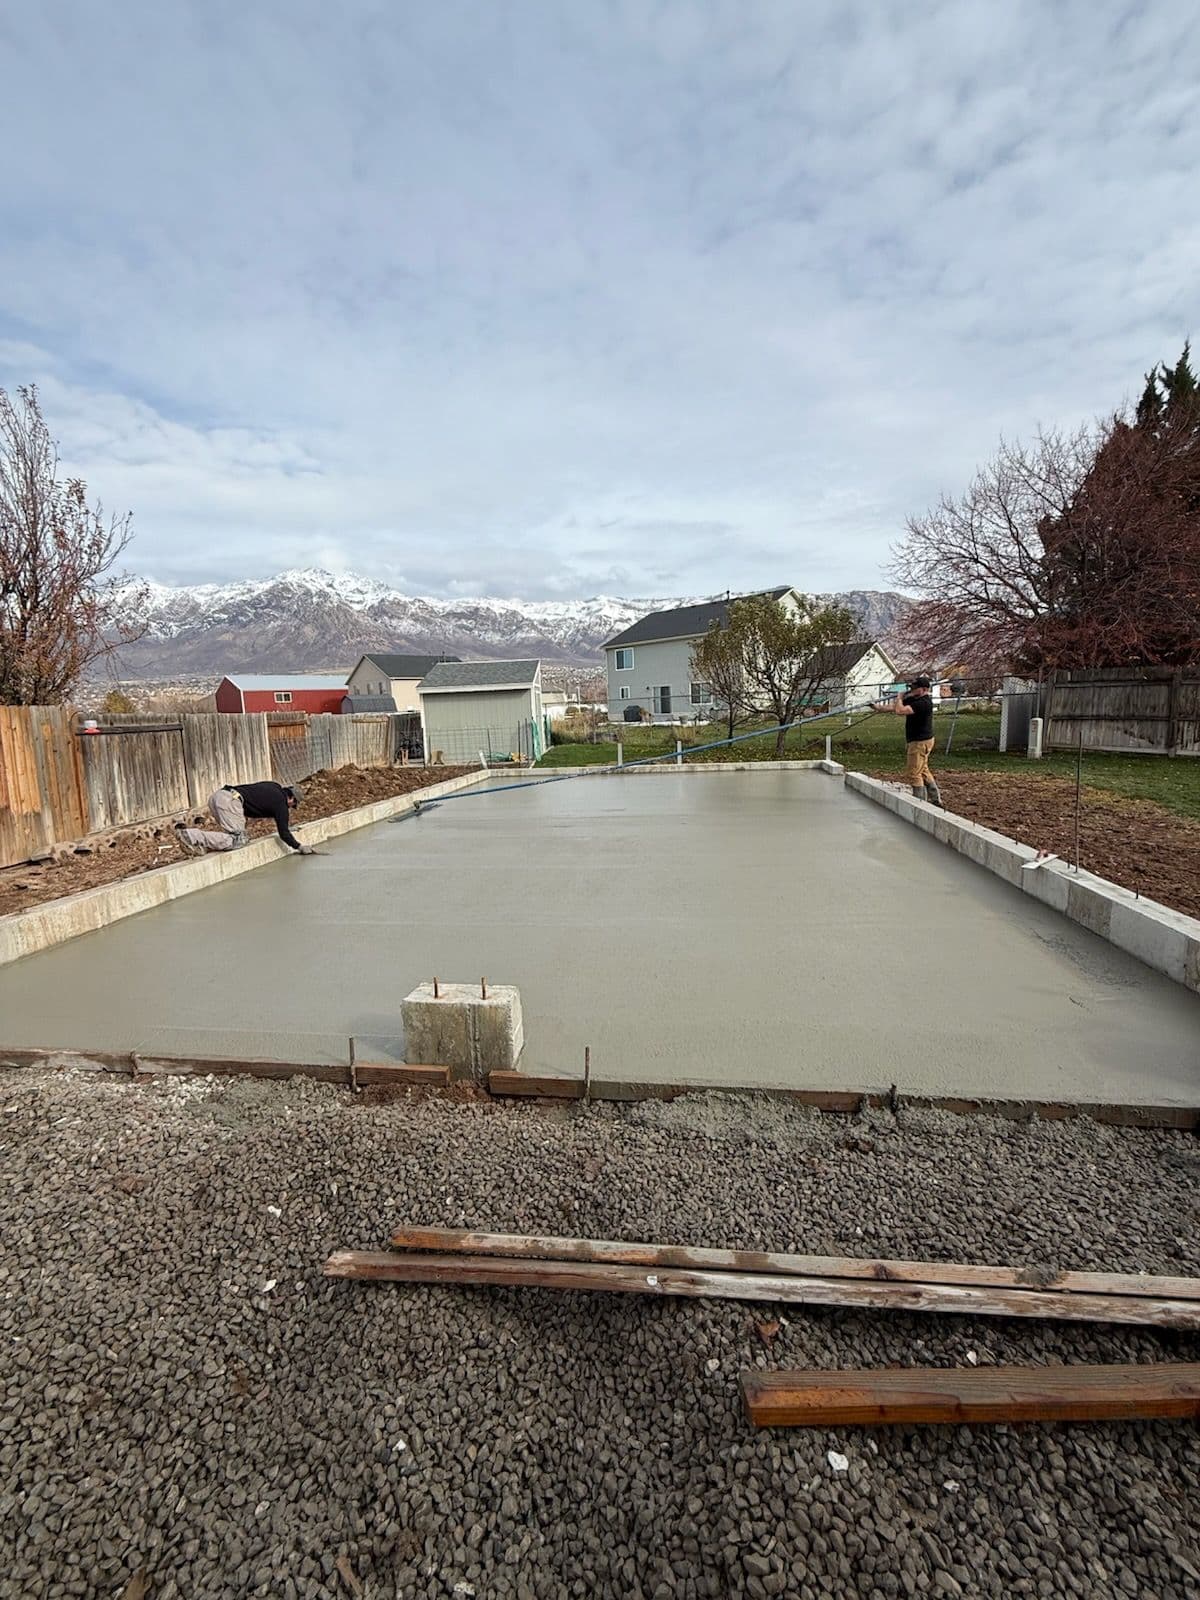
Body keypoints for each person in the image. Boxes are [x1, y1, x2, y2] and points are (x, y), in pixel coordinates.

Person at [175, 781, 315, 855]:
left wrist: (287, 827)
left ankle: (199, 846)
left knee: (233, 835)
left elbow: (252, 802)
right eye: (293, 805)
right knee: (238, 840)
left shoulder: (274, 786)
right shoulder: (281, 804)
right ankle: (191, 836)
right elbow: (283, 833)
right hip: (230, 802)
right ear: (291, 798)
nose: (290, 808)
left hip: (220, 796)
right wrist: (299, 847)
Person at [872, 676, 943, 807]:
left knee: (914, 773)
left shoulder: (924, 703)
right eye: (912, 687)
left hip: (920, 742)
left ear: (924, 689)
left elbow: (900, 710)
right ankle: (935, 800)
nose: (912, 690)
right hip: (920, 740)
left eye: (915, 688)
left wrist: (899, 697)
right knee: (923, 770)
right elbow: (895, 707)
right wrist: (877, 707)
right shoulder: (914, 698)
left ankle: (919, 803)